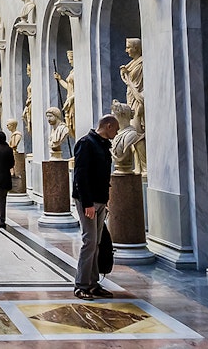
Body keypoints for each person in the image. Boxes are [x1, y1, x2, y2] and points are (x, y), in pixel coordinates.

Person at [72, 115, 121, 301]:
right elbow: (80, 176)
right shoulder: (86, 143)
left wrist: (105, 201)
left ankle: (92, 283)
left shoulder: (102, 144)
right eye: (115, 130)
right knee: (89, 241)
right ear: (108, 126)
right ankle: (81, 285)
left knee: (97, 242)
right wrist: (87, 203)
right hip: (89, 202)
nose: (116, 134)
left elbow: (102, 175)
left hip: (100, 200)